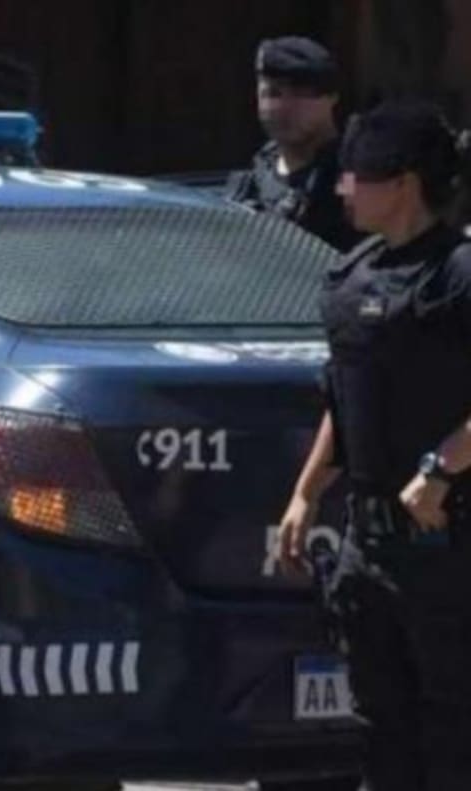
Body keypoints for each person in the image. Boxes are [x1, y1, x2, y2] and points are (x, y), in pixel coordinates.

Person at [276, 100, 471, 790]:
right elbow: (345, 394)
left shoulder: (456, 274)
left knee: (452, 726)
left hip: (444, 541)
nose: (341, 187)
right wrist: (307, 492)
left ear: (405, 182)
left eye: (356, 175)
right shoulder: (354, 274)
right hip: (368, 541)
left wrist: (441, 469)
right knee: (378, 725)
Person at [228, 36, 363, 252]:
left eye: (301, 95)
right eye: (273, 94)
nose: (284, 108)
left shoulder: (351, 176)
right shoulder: (260, 171)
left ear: (331, 97)